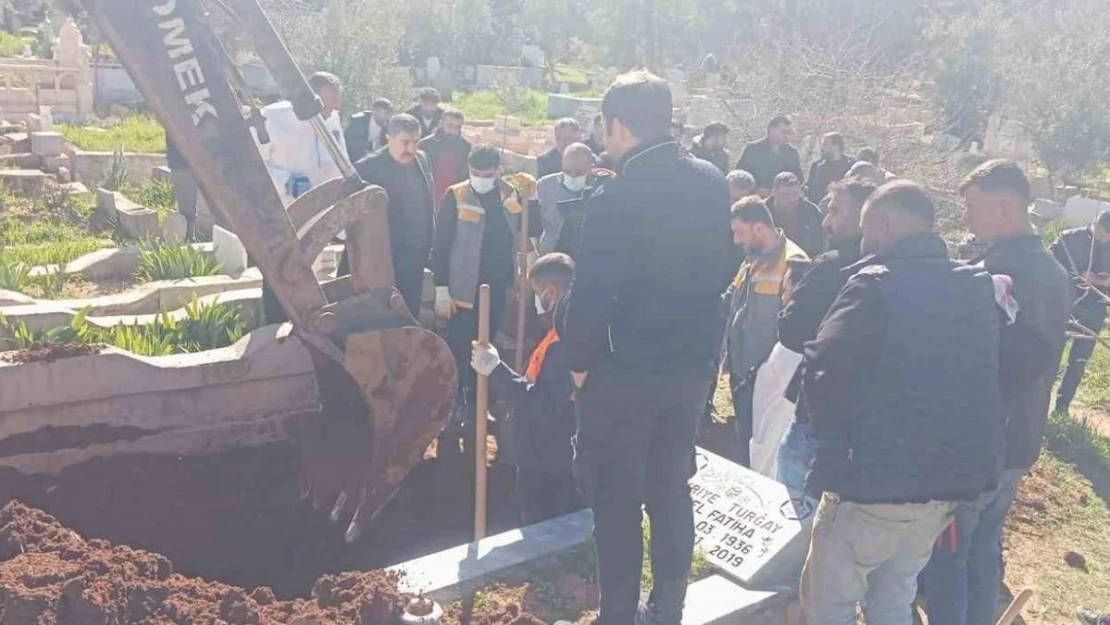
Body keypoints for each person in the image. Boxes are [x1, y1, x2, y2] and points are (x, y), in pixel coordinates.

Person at [560, 70, 732, 625]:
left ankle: (617, 616)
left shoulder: (619, 194)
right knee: (670, 489)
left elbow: (591, 292)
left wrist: (580, 363)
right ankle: (669, 608)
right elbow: (719, 269)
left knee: (616, 500)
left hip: (625, 371)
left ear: (618, 125)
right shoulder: (709, 179)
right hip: (689, 369)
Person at [798, 181, 1005, 625]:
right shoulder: (974, 285)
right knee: (895, 598)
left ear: (885, 227)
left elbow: (822, 369)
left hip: (871, 483)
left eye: (867, 228)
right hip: (944, 486)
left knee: (828, 603)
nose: (863, 239)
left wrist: (835, 437)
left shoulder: (873, 284)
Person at [923, 160, 1070, 625]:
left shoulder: (995, 273)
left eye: (972, 208)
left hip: (978, 445)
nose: (965, 218)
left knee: (949, 556)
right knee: (984, 547)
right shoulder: (1052, 269)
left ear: (1005, 209)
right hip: (1019, 439)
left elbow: (984, 366)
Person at [775, 176, 875, 493]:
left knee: (793, 509)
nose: (825, 220)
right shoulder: (900, 269)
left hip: (818, 413)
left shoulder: (831, 266)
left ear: (864, 218)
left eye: (834, 211)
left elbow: (791, 332)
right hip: (870, 424)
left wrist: (790, 301)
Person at [471, 252, 580, 526]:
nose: (535, 302)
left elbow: (542, 403)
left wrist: (496, 369)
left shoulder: (563, 343)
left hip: (547, 458)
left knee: (542, 522)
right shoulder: (560, 332)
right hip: (544, 452)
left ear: (551, 292)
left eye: (535, 293)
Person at [433, 145, 534, 419]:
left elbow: (528, 228)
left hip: (497, 286)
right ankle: (457, 402)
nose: (479, 178)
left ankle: (479, 403)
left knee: (487, 348)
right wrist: (441, 286)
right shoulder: (456, 195)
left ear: (498, 171)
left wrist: (531, 199)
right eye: (474, 172)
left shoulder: (510, 195)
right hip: (462, 289)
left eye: (486, 173)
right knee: (460, 346)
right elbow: (441, 245)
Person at [724, 197, 808, 467]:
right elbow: (734, 301)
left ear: (759, 228)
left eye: (739, 232)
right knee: (746, 441)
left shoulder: (795, 263)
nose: (736, 240)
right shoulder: (752, 260)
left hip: (767, 382)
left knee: (763, 452)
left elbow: (797, 328)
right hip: (743, 374)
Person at [351, 114, 435, 316]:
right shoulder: (367, 168)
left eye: (416, 142)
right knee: (380, 315)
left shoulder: (422, 159)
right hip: (383, 257)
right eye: (405, 142)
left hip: (414, 254)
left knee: (409, 310)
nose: (411, 149)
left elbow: (426, 203)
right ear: (389, 138)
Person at [256, 71, 348, 207]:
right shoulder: (271, 117)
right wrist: (284, 181)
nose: (329, 113)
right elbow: (251, 165)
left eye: (333, 107)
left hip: (327, 208)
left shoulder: (333, 117)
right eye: (325, 108)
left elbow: (342, 160)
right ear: (309, 97)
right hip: (286, 208)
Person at [1051, 210, 1110, 414]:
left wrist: (1096, 280)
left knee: (1078, 361)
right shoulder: (1067, 239)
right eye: (1102, 234)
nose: (1103, 239)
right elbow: (1049, 269)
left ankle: (1062, 408)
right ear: (1095, 222)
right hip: (1064, 306)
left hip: (1094, 311)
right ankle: (1038, 404)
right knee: (1051, 356)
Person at [536, 143, 594, 255]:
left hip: (584, 255)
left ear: (591, 168)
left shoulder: (600, 189)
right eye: (567, 171)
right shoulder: (545, 186)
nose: (572, 176)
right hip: (551, 254)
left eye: (578, 172)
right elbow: (529, 219)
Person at [735, 114, 804, 194]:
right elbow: (739, 177)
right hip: (756, 199)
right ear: (772, 130)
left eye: (788, 132)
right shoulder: (752, 149)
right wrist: (756, 190)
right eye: (783, 132)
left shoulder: (792, 153)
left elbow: (799, 179)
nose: (786, 136)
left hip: (782, 201)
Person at [766, 172, 825, 257]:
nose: (792, 199)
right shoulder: (761, 212)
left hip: (804, 263)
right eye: (786, 195)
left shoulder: (812, 213)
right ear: (774, 193)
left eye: (795, 193)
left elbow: (820, 246)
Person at [420, 108, 472, 203]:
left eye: (458, 127)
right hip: (427, 197)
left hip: (454, 198)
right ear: (441, 123)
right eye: (450, 125)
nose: (454, 130)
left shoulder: (466, 148)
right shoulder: (424, 145)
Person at [806, 132, 855, 205]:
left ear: (836, 146)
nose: (822, 148)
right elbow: (811, 192)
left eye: (825, 144)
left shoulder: (852, 166)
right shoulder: (816, 167)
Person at [345, 98, 393, 163]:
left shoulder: (390, 125)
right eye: (385, 113)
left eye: (389, 113)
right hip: (354, 161)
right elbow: (350, 142)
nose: (388, 117)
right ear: (375, 111)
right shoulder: (358, 121)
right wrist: (372, 145)